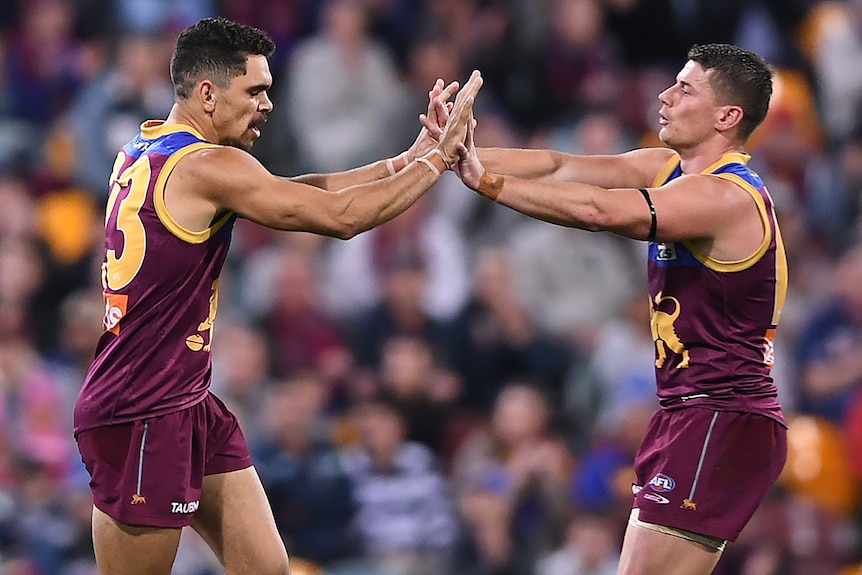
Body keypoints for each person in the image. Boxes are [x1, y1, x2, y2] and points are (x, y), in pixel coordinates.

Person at [72, 16, 482, 575]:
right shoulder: (209, 165)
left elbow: (295, 192)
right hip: (141, 409)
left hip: (185, 398)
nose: (268, 104)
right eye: (256, 91)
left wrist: (408, 158)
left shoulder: (146, 147)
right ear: (210, 93)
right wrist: (440, 161)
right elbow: (338, 218)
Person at [445, 43, 788, 575]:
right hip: (688, 412)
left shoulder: (727, 198)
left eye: (685, 89)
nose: (664, 96)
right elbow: (561, 165)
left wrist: (487, 183)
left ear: (728, 116)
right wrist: (447, 151)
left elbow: (598, 209)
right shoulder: (668, 168)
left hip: (721, 414)